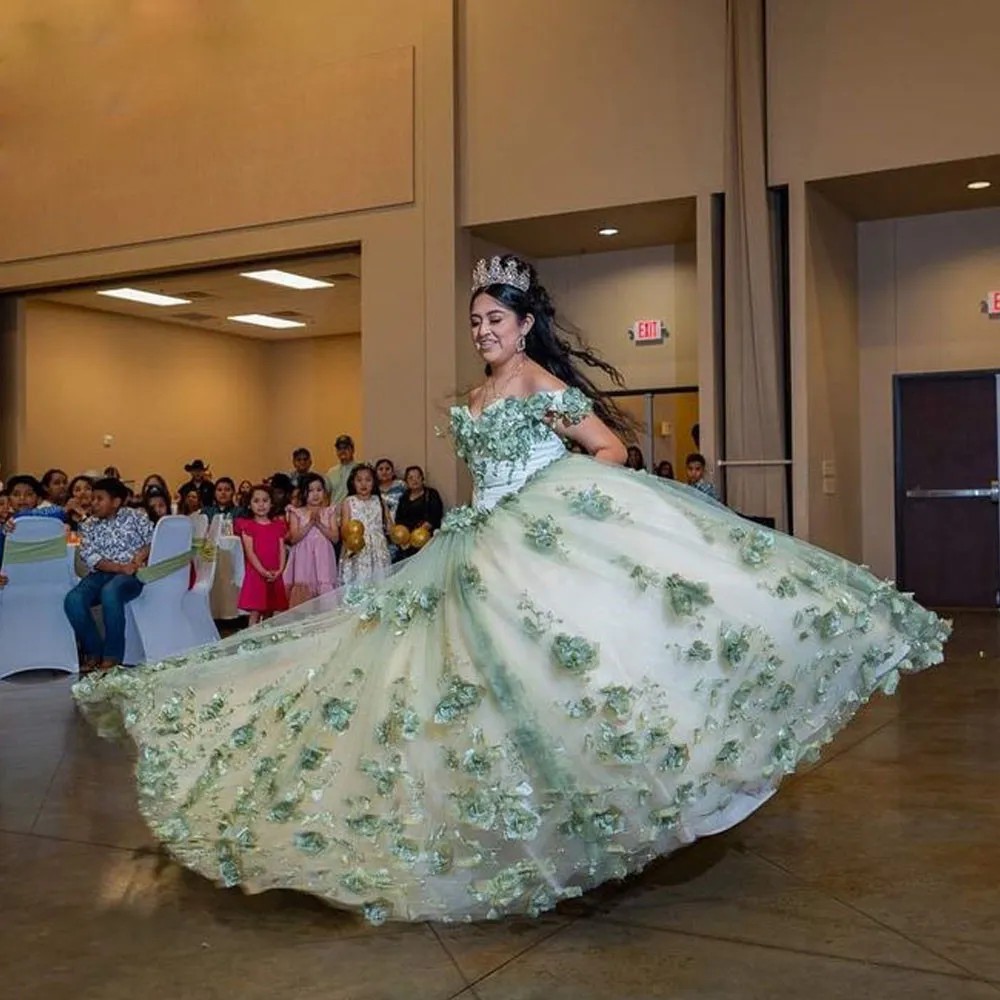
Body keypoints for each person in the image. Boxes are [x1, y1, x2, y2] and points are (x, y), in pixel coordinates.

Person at [74, 253, 949, 926]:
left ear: (524, 325)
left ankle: (586, 809)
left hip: (531, 541)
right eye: (475, 320)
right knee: (451, 683)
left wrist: (543, 506)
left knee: (556, 674)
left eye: (493, 318)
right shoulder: (481, 390)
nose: (483, 330)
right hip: (471, 550)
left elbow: (607, 452)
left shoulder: (538, 384)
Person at [64, 477, 152, 673]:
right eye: (93, 499)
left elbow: (152, 539)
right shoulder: (87, 525)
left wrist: (140, 556)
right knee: (73, 600)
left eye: (99, 499)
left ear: (116, 502)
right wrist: (120, 568)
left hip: (132, 576)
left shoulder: (135, 516)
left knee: (111, 592)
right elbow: (91, 558)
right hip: (103, 573)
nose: (93, 503)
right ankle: (94, 652)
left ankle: (113, 656)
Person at [234, 485, 288, 625]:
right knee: (256, 610)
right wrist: (262, 571)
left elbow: (282, 550)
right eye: (256, 501)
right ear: (249, 505)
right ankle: (251, 639)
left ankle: (268, 637)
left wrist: (280, 570)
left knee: (272, 608)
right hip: (257, 573)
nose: (261, 504)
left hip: (274, 572)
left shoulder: (278, 526)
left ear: (271, 503)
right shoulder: (248, 526)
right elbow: (250, 552)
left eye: (265, 500)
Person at [283, 472, 339, 607]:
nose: (315, 494)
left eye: (319, 490)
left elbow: (335, 538)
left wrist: (319, 524)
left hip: (323, 557)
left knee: (324, 585)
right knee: (303, 589)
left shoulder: (329, 511)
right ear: (303, 493)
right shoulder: (296, 512)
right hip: (304, 557)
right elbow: (294, 538)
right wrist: (309, 524)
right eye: (310, 490)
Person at [338, 463, 391, 585]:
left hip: (378, 547)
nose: (363, 484)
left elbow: (389, 525)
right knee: (359, 581)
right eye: (359, 480)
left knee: (379, 581)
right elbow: (344, 528)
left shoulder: (380, 501)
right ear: (353, 483)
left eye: (368, 480)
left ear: (374, 483)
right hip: (357, 547)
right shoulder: (349, 502)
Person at [393, 465, 444, 561]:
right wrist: (404, 538)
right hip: (406, 541)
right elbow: (398, 519)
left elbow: (435, 515)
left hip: (425, 537)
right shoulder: (404, 497)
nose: (414, 480)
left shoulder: (431, 494)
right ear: (406, 481)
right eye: (411, 478)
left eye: (417, 477)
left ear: (422, 479)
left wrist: (418, 534)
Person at [324, 434, 358, 505]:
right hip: (335, 513)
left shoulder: (359, 469)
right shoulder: (331, 472)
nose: (342, 451)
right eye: (339, 449)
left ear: (353, 450)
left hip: (355, 512)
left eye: (346, 448)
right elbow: (326, 496)